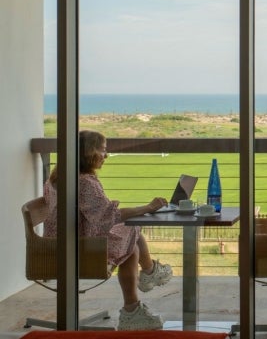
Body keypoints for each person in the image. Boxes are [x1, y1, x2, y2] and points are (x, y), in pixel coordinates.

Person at [43, 130, 173, 331]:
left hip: (60, 243)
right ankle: (147, 277)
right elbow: (109, 216)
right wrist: (147, 207)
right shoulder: (84, 182)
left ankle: (138, 297)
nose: (107, 155)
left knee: (129, 235)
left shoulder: (58, 176)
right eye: (103, 150)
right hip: (77, 250)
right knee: (130, 234)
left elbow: (99, 216)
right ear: (89, 152)